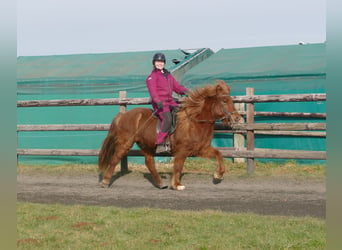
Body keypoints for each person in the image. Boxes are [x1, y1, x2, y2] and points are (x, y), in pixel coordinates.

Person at [146, 52, 189, 153]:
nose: (159, 63)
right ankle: (160, 143)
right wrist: (158, 101)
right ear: (154, 63)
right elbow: (153, 92)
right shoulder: (152, 77)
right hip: (159, 103)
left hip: (170, 101)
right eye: (157, 61)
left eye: (161, 62)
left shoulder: (168, 75)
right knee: (168, 119)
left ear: (164, 63)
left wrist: (186, 91)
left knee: (182, 115)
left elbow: (176, 87)